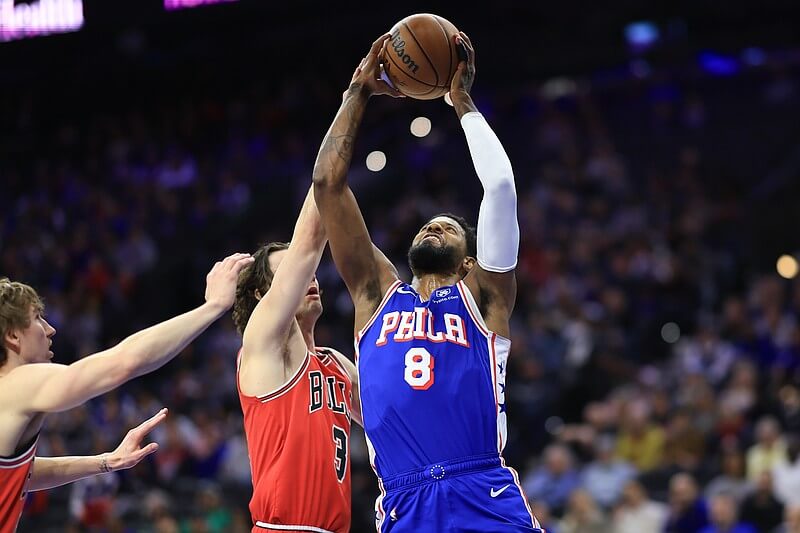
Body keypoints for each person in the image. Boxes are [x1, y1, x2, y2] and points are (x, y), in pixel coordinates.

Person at [313, 32, 541, 532]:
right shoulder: (375, 295)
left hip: (482, 490)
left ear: (468, 262)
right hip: (403, 499)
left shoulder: (483, 296)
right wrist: (357, 93)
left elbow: (500, 186)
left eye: (451, 227)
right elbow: (328, 184)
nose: (435, 225)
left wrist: (460, 100)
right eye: (428, 223)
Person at [0, 253, 252, 532]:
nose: (50, 329)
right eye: (37, 318)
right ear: (12, 336)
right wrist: (213, 306)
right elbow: (124, 363)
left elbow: (24, 473)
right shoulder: (17, 383)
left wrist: (106, 462)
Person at [232, 189, 358, 533]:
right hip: (283, 528)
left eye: (310, 273)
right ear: (263, 294)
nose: (310, 276)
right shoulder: (262, 344)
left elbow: (392, 419)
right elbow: (308, 243)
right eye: (292, 273)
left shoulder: (336, 364)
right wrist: (329, 173)